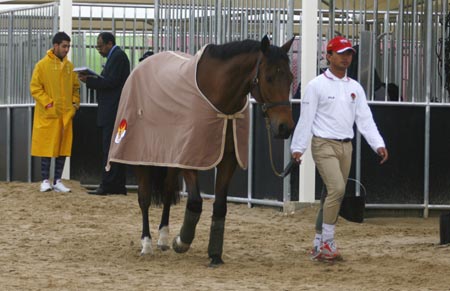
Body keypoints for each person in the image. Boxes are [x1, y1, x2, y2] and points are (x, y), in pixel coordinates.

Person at [290, 36, 389, 261]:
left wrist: (378, 144)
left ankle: (317, 243)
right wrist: (298, 147)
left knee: (330, 195)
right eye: (342, 53)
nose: (346, 58)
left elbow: (365, 119)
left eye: (349, 53)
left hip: (347, 146)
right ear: (329, 56)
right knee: (337, 190)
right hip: (323, 144)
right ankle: (327, 241)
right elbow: (306, 119)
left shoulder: (355, 88)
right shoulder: (316, 85)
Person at [78, 32, 130, 195]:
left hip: (113, 111)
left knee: (109, 148)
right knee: (115, 148)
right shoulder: (116, 57)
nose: (98, 49)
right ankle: (117, 185)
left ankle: (108, 185)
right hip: (114, 110)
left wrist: (90, 80)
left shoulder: (118, 57)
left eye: (100, 46)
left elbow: (112, 82)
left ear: (109, 43)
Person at [30, 31, 80, 193]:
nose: (67, 50)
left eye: (68, 46)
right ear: (55, 46)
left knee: (62, 148)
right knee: (46, 148)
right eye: (64, 46)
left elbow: (75, 88)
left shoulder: (70, 67)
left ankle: (58, 180)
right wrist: (48, 103)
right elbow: (35, 88)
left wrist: (74, 104)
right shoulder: (42, 65)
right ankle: (45, 180)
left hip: (65, 115)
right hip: (48, 114)